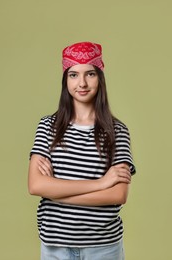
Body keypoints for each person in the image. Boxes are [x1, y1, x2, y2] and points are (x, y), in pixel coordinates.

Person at [28, 41, 136, 260]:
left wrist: (56, 191)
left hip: (103, 247)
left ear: (100, 78)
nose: (82, 83)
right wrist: (100, 183)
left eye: (90, 74)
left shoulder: (117, 131)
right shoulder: (48, 126)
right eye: (74, 75)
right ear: (65, 80)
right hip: (55, 246)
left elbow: (117, 194)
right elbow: (36, 185)